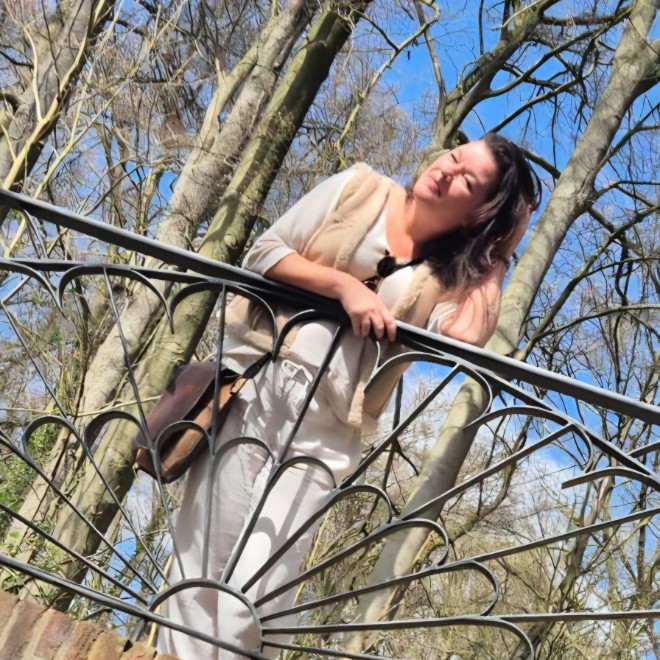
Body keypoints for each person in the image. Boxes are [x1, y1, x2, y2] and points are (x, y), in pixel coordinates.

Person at [157, 133, 541, 658]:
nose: (447, 170)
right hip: (252, 389)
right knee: (200, 566)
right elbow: (265, 252)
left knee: (259, 589)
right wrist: (344, 287)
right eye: (454, 157)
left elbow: (466, 336)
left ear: (479, 214)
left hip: (329, 429)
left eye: (467, 181)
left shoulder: (448, 278)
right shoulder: (359, 188)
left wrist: (499, 252)